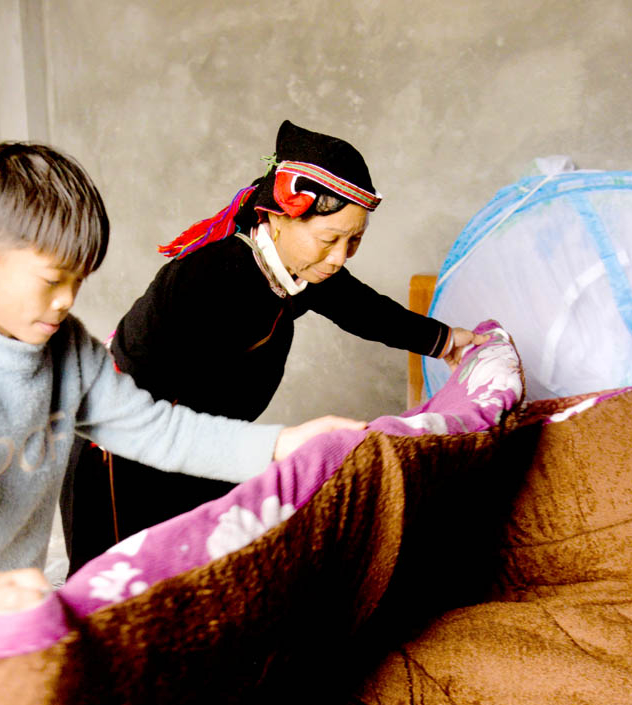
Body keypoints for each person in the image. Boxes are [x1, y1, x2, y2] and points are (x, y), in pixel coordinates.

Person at [0, 142, 364, 645]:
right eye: (51, 279)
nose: (65, 301)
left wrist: (282, 444)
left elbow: (155, 429)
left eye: (78, 281)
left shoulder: (69, 350)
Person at [64, 120, 488, 574]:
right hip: (126, 457)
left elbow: (364, 309)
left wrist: (445, 341)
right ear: (279, 217)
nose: (340, 256)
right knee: (114, 589)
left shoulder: (302, 270)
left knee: (202, 577)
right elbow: (140, 398)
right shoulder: (209, 277)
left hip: (203, 443)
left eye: (354, 240)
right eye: (330, 239)